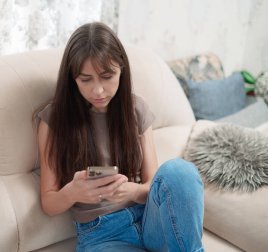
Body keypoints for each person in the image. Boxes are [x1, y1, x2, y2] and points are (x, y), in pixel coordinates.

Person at [35, 22, 204, 252]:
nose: (98, 90)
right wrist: (73, 191)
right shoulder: (54, 120)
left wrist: (133, 191)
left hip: (149, 220)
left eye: (107, 76)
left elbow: (152, 184)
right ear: (72, 79)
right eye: (86, 80)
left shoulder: (136, 109)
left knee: (180, 171)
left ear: (121, 70)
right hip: (101, 235)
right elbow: (49, 203)